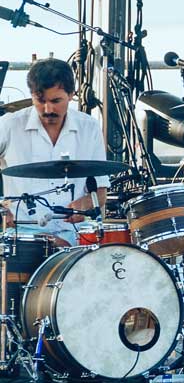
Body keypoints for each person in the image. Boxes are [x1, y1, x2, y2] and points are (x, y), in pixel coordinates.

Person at [0, 58, 109, 246]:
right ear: (31, 95)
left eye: (56, 101)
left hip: (73, 234)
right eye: (40, 101)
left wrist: (85, 204)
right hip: (22, 234)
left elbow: (101, 193)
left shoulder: (89, 127)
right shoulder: (10, 125)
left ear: (71, 95)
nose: (48, 109)